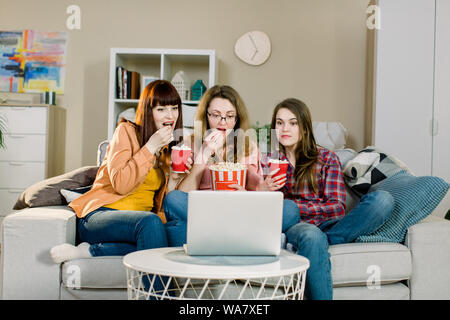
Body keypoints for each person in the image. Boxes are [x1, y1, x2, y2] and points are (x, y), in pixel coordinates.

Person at [265, 98, 395, 300]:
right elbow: (275, 212)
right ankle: (319, 242)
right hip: (299, 227)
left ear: (304, 127)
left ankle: (327, 240)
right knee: (309, 233)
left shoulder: (326, 158)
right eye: (279, 123)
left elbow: (336, 208)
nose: (285, 128)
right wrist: (266, 189)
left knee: (383, 200)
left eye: (292, 123)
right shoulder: (269, 161)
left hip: (330, 224)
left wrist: (297, 207)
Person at [50, 80, 184, 263]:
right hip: (100, 215)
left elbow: (159, 206)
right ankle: (159, 293)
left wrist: (174, 179)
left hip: (138, 223)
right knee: (150, 223)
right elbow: (121, 184)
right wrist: (150, 147)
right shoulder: (126, 132)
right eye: (161, 109)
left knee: (174, 232)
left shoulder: (167, 151)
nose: (170, 115)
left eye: (174, 108)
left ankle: (90, 252)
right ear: (148, 111)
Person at [163, 85, 300, 247]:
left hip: (240, 211)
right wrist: (204, 155)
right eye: (216, 115)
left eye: (229, 116)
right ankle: (233, 234)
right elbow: (183, 195)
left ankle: (220, 233)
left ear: (237, 119)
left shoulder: (248, 146)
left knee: (290, 209)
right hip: (205, 211)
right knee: (173, 199)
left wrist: (257, 190)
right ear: (205, 116)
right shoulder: (190, 143)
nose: (223, 122)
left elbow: (257, 196)